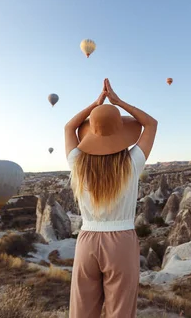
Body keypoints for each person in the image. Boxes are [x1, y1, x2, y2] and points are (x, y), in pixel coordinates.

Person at [64, 78, 158, 318]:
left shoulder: (78, 163)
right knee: (120, 311)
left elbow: (68, 128)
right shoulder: (131, 163)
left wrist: (95, 105)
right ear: (121, 132)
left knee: (81, 311)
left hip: (87, 240)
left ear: (91, 132)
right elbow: (151, 124)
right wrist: (117, 102)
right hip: (121, 241)